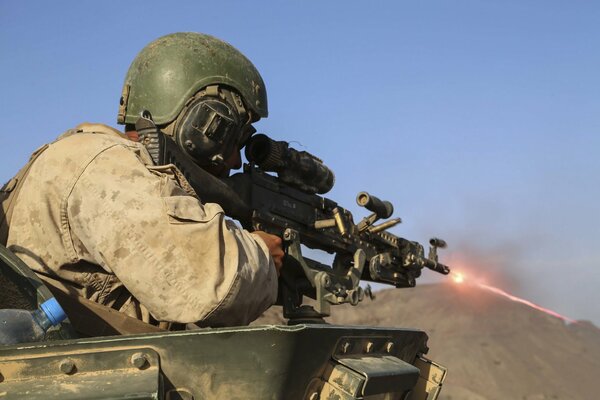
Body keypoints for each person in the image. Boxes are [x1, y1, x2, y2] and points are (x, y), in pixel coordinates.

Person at [2, 32, 284, 328]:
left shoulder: (90, 158)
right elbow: (208, 286)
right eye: (234, 138)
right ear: (202, 124)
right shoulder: (104, 165)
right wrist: (265, 255)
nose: (236, 162)